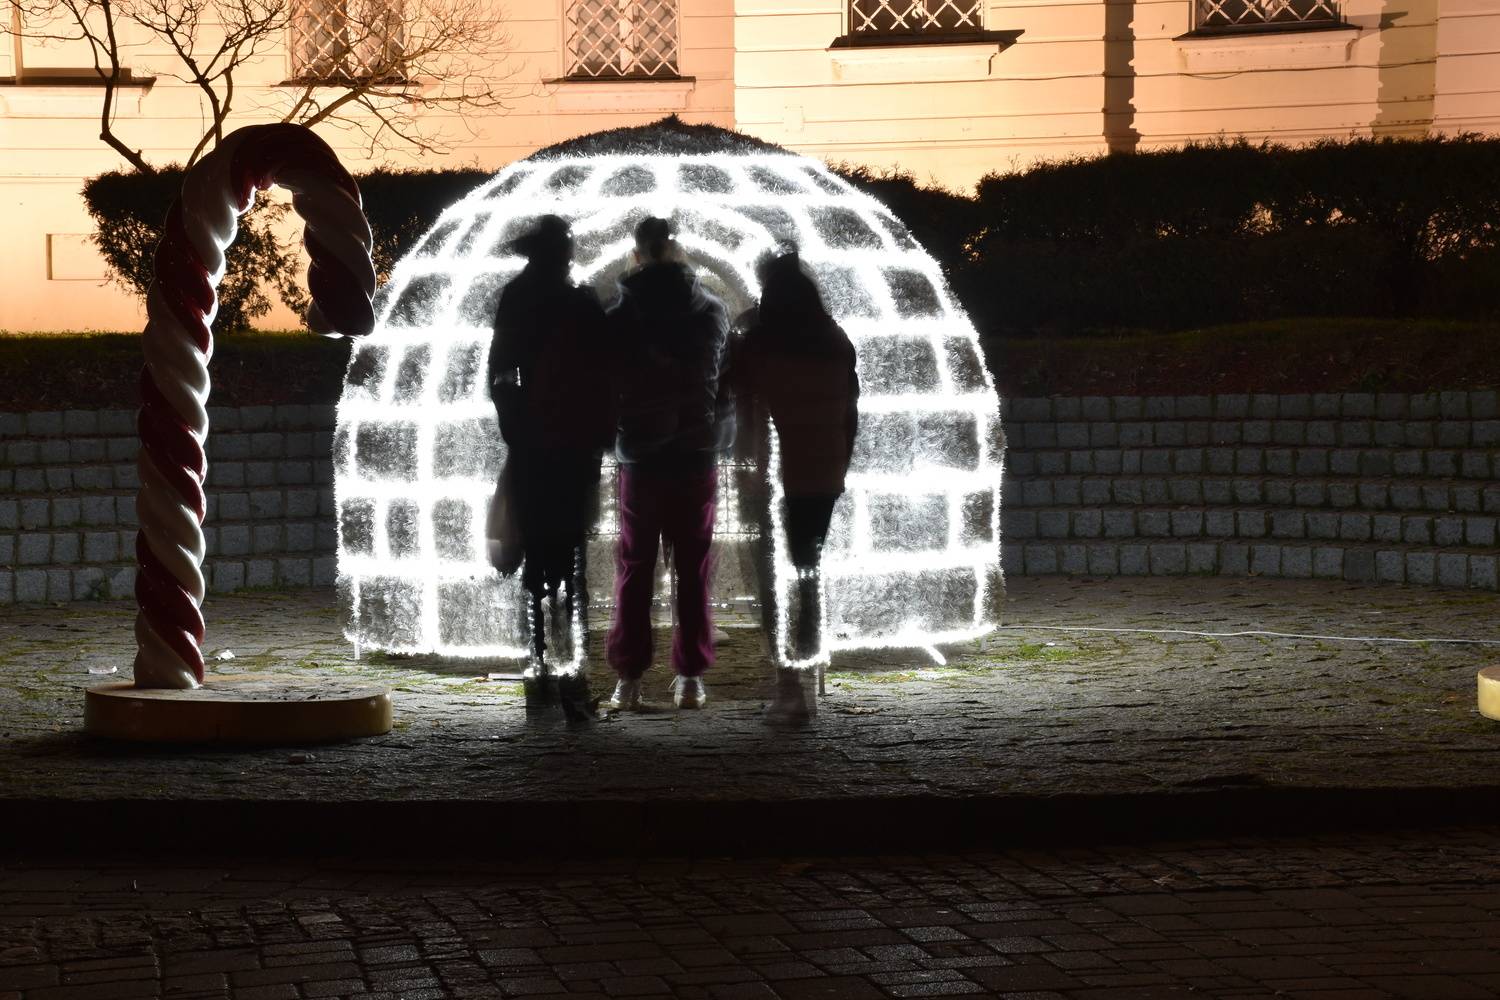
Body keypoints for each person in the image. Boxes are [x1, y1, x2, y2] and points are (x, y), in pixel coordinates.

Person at [605, 216, 732, 711]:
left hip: (640, 456)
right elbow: (722, 385)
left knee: (636, 568)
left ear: (636, 255)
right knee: (694, 567)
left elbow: (606, 384)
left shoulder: (619, 317)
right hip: (695, 455)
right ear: (678, 251)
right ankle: (690, 678)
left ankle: (629, 678)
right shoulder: (711, 312)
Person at [489, 215, 615, 711]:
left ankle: (541, 671)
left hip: (539, 448)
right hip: (569, 448)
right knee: (566, 561)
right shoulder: (578, 301)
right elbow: (605, 371)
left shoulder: (519, 298)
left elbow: (500, 373)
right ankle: (567, 675)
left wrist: (517, 429)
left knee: (540, 560)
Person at [737, 247, 860, 718]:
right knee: (808, 569)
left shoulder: (760, 342)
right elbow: (851, 408)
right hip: (822, 470)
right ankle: (808, 671)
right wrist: (840, 461)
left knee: (771, 576)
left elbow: (736, 398)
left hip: (771, 473)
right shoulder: (834, 340)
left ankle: (787, 680)